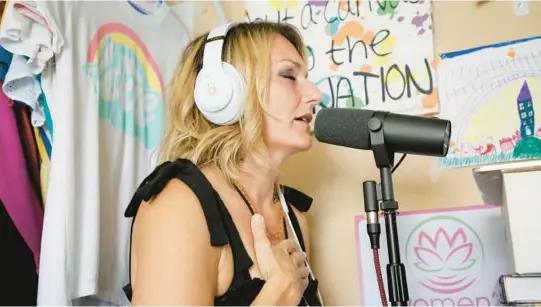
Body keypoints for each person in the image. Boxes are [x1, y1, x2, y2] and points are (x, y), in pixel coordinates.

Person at [122, 21, 324, 306]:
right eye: (289, 75)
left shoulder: (293, 219)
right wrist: (279, 292)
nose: (315, 94)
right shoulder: (178, 204)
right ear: (226, 92)